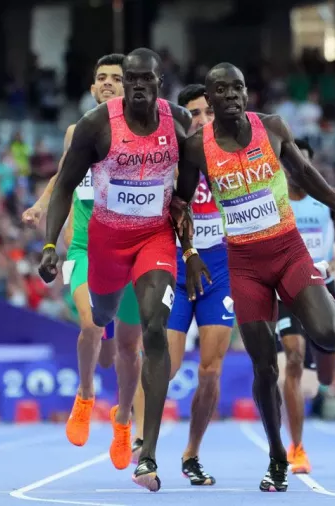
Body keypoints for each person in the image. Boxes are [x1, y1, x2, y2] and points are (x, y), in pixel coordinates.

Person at [173, 62, 335, 492]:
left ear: (246, 93)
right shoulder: (196, 148)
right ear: (210, 100)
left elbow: (308, 176)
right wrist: (191, 252)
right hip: (244, 264)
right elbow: (180, 205)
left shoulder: (270, 128)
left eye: (238, 87)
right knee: (264, 367)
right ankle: (277, 457)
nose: (232, 95)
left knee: (327, 335)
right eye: (222, 89)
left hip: (288, 250)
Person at [38, 48, 199, 492]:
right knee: (98, 320)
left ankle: (137, 440)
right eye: (119, 78)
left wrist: (187, 241)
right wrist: (51, 241)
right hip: (97, 243)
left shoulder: (178, 122)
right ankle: (87, 392)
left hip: (154, 240)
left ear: (159, 82)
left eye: (141, 77)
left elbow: (194, 173)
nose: (129, 85)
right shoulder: (90, 128)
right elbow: (62, 184)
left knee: (148, 333)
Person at [22, 54, 143, 459]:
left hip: (127, 249)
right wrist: (42, 207)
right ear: (93, 89)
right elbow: (63, 177)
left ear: (129, 88)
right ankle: (86, 395)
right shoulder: (78, 131)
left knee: (126, 349)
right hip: (84, 248)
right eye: (101, 78)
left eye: (116, 79)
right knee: (90, 324)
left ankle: (123, 420)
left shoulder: (143, 134)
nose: (108, 83)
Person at [131, 83, 225, 485]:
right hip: (176, 264)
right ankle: (141, 446)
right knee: (162, 359)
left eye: (207, 112)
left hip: (219, 269)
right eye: (194, 113)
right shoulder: (168, 158)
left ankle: (192, 454)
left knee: (210, 369)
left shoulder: (230, 155)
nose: (202, 119)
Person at [275, 138, 335, 475]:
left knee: (324, 373)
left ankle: (333, 341)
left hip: (322, 288)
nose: (296, 170)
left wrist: (332, 267)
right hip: (287, 293)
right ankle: (297, 448)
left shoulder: (326, 201)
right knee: (292, 360)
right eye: (290, 164)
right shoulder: (274, 201)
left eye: (302, 164)